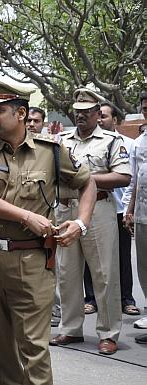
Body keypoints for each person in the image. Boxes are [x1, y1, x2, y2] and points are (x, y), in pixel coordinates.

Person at [0, 80, 96, 384]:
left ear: (21, 113)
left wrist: (81, 223)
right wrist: (26, 215)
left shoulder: (51, 150)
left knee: (34, 348)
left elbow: (88, 183)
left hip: (31, 260)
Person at [50, 88, 130, 356]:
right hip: (65, 209)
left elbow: (123, 176)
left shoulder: (111, 140)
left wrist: (86, 179)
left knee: (104, 273)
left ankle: (108, 332)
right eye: (78, 111)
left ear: (98, 113)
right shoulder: (61, 141)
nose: (81, 115)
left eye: (87, 112)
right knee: (66, 270)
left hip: (99, 208)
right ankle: (70, 328)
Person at [83, 102, 140, 316]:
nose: (99, 120)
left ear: (114, 120)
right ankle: (91, 299)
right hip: (92, 208)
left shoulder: (129, 144)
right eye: (98, 116)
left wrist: (128, 210)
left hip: (119, 209)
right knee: (90, 257)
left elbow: (132, 179)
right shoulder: (85, 143)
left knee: (122, 258)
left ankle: (127, 299)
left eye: (104, 116)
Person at [124, 118, 147, 342]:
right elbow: (135, 180)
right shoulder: (139, 142)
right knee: (144, 268)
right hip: (143, 214)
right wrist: (129, 210)